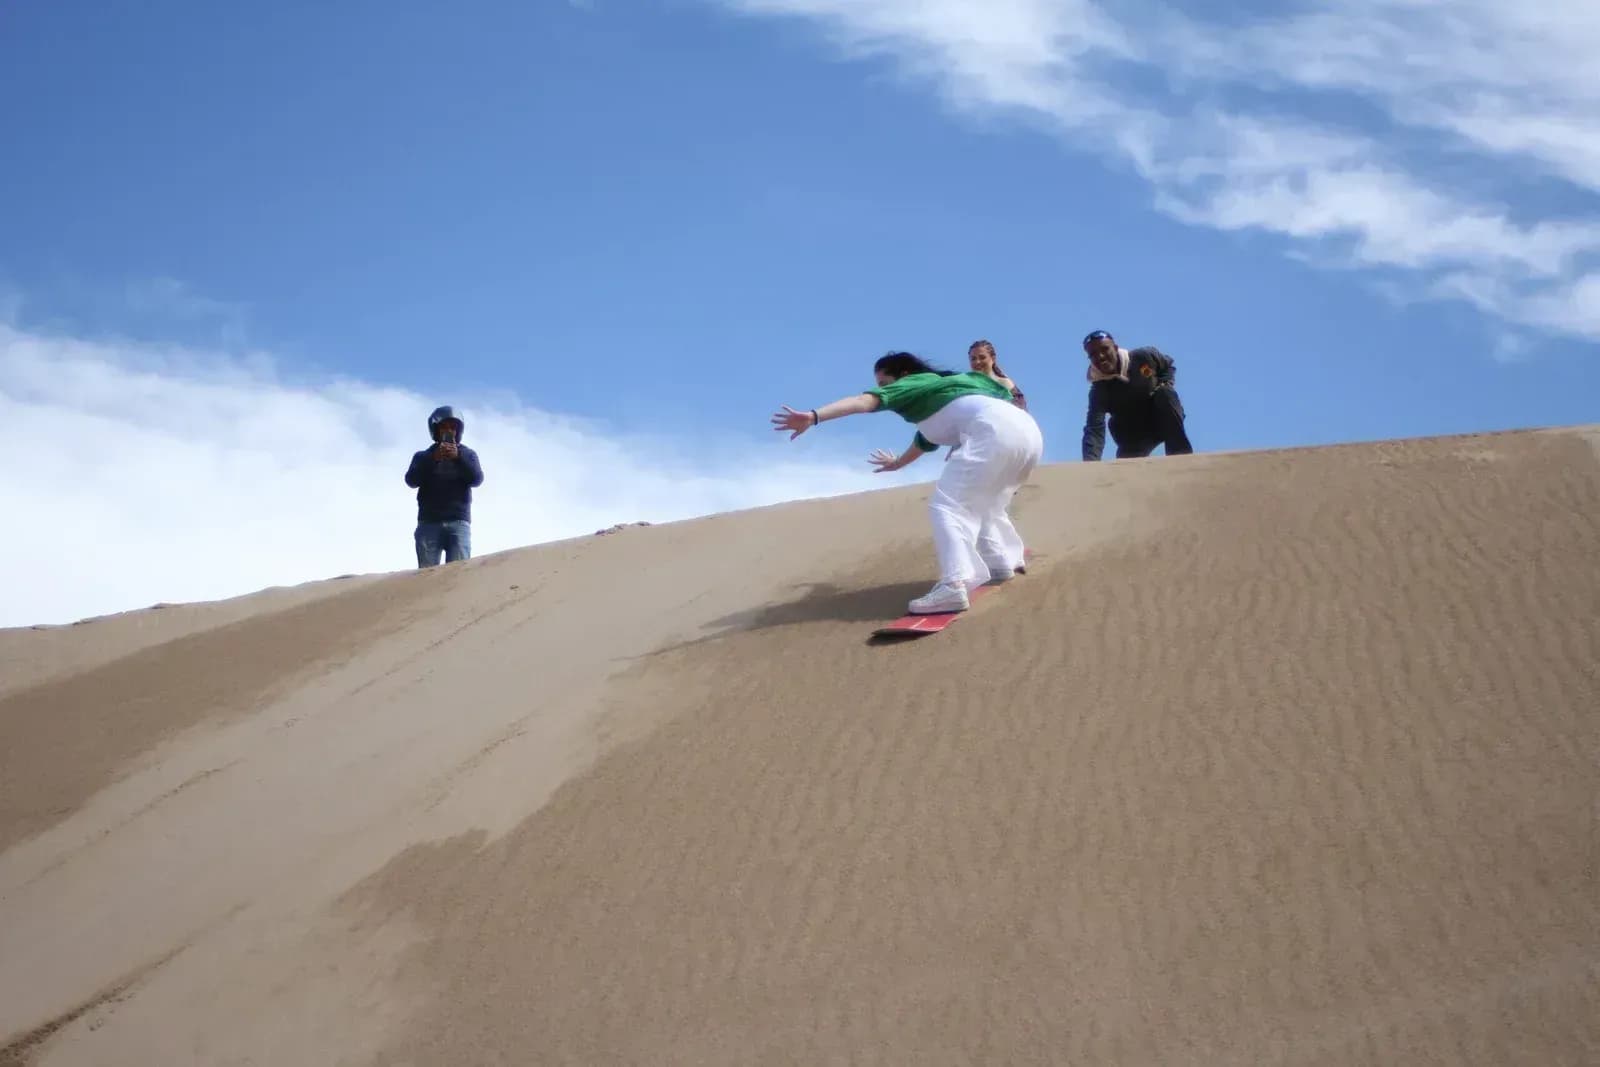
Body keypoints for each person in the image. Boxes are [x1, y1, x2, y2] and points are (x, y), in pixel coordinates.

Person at [770, 352, 1044, 615]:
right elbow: (923, 442)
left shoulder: (914, 382)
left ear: (904, 375)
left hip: (993, 429)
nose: (883, 391)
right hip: (1027, 434)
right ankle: (999, 562)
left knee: (947, 507)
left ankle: (954, 585)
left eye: (885, 384)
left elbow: (864, 402)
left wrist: (814, 416)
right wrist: (897, 463)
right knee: (985, 503)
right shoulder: (940, 397)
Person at [1080, 329, 1194, 461]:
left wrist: (1166, 383)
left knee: (1165, 393)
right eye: (1093, 354)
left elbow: (1167, 366)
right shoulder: (1099, 390)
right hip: (1133, 434)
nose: (1100, 356)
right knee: (1126, 469)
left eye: (1105, 349)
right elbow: (1094, 428)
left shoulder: (1144, 357)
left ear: (1116, 348)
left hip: (1160, 417)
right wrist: (1090, 464)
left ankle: (1179, 457)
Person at [404, 405, 484, 568]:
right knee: (426, 574)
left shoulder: (468, 454)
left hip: (459, 522)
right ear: (435, 429)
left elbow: (476, 479)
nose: (449, 430)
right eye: (444, 427)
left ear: (458, 430)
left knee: (458, 573)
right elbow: (411, 480)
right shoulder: (422, 456)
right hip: (428, 522)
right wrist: (433, 459)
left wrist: (458, 457)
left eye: (453, 427)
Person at [967, 339, 1028, 410]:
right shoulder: (966, 384)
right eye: (973, 359)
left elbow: (1020, 409)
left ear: (993, 358)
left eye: (982, 357)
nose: (977, 362)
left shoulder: (1004, 383)